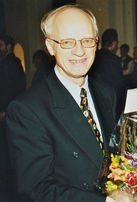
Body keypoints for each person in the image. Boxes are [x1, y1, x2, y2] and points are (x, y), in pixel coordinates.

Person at [6, 5, 120, 202]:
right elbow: (36, 189)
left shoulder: (106, 93)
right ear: (50, 46)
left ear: (96, 43)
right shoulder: (27, 109)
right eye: (68, 42)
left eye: (87, 41)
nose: (80, 51)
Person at [0, 34, 26, 201]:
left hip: (8, 113)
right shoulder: (8, 63)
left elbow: (13, 89)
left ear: (8, 46)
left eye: (1, 45)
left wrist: (5, 109)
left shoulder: (11, 63)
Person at [89, 28, 125, 117]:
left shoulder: (93, 57)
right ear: (114, 43)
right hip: (112, 103)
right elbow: (119, 85)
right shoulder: (114, 60)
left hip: (95, 102)